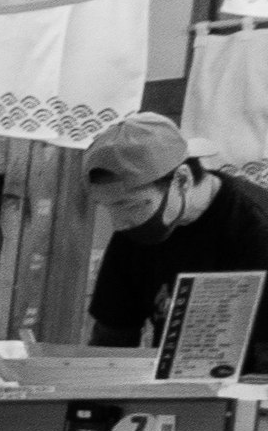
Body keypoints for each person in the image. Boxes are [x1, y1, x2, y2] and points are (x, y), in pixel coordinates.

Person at [81, 112, 268, 372]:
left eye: (132, 205)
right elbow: (111, 342)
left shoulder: (255, 228)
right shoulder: (134, 232)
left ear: (182, 179)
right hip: (174, 392)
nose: (120, 223)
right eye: (109, 208)